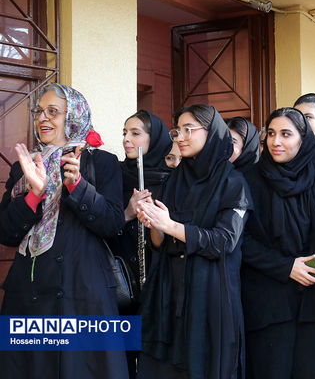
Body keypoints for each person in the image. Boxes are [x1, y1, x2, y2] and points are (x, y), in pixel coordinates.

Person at [0, 83, 127, 378]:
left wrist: (77, 187)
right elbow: (6, 232)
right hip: (28, 296)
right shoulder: (25, 167)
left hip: (80, 296)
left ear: (74, 116)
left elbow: (112, 223)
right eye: (39, 112)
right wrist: (33, 194)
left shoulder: (100, 162)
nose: (43, 118)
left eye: (53, 112)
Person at [136, 104, 251, 379]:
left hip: (209, 291)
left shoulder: (233, 183)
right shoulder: (176, 179)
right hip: (168, 290)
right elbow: (160, 243)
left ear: (211, 134)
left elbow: (224, 241)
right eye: (178, 130)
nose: (181, 137)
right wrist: (152, 222)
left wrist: (171, 225)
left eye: (190, 130)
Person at [241, 107, 315, 379]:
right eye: (271, 134)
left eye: (286, 134)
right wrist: (286, 267)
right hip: (268, 304)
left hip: (313, 301)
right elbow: (241, 241)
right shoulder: (249, 180)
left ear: (303, 139)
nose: (276, 142)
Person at [109, 110, 172, 377]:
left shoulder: (171, 179)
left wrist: (154, 223)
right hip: (120, 283)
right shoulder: (114, 176)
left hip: (157, 284)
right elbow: (103, 225)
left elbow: (167, 241)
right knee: (122, 357)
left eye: (135, 133)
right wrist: (128, 212)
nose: (127, 139)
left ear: (154, 139)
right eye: (125, 132)